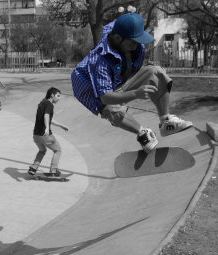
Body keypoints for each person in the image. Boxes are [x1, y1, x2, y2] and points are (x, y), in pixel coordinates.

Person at [71, 12, 193, 153]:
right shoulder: (99, 62)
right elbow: (105, 97)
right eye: (133, 42)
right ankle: (142, 133)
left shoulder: (121, 32)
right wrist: (136, 93)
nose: (137, 46)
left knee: (156, 72)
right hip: (89, 89)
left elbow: (127, 22)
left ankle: (166, 121)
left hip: (118, 80)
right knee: (111, 109)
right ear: (117, 38)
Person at [28, 87, 69, 177]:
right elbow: (46, 116)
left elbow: (49, 118)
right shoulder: (49, 104)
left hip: (36, 135)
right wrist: (47, 128)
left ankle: (33, 168)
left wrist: (61, 125)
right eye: (58, 96)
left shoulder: (42, 103)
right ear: (52, 95)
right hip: (45, 135)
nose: (59, 98)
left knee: (42, 150)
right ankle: (53, 170)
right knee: (58, 150)